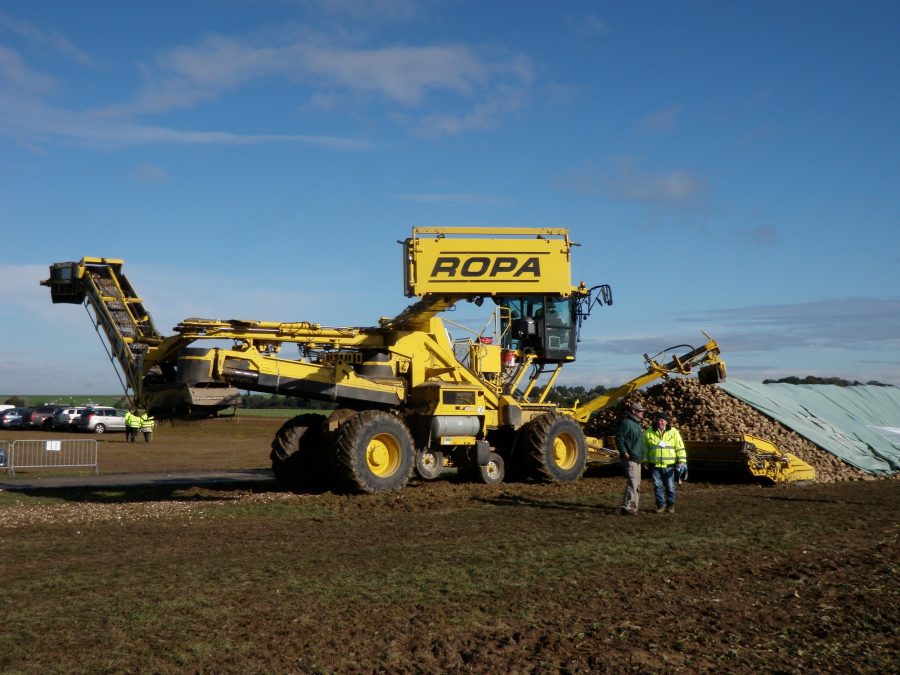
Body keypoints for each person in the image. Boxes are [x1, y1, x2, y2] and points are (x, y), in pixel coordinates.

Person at [643, 411, 686, 514]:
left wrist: (682, 460)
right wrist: (645, 460)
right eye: (658, 420)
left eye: (662, 420)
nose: (660, 422)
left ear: (666, 421)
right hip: (655, 465)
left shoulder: (674, 432)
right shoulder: (648, 432)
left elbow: (680, 447)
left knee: (670, 486)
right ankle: (660, 505)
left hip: (669, 466)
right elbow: (644, 448)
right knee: (657, 486)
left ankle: (670, 505)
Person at [615, 401, 646, 515]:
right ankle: (626, 506)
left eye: (642, 411)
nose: (642, 413)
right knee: (632, 483)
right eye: (640, 411)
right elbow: (619, 438)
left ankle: (634, 507)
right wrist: (624, 452)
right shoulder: (626, 423)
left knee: (637, 484)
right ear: (634, 411)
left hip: (638, 458)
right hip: (630, 458)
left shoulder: (638, 424)